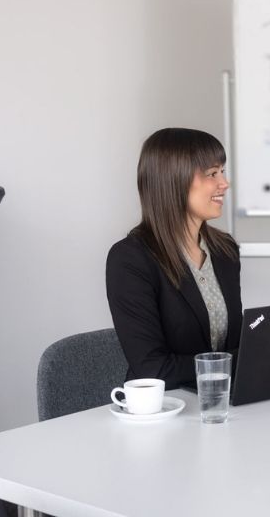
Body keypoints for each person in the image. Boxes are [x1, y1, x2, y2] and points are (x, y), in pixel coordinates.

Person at [107, 128, 243, 389]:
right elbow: (152, 368)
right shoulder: (130, 259)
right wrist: (234, 362)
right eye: (212, 174)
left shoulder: (225, 250)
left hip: (221, 400)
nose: (224, 183)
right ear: (174, 181)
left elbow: (234, 343)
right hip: (164, 405)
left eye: (222, 171)